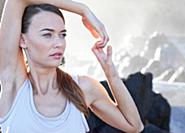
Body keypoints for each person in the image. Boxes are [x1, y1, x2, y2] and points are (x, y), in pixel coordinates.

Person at [0, 0, 144, 132]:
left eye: (62, 34)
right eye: (47, 35)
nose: (59, 43)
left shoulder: (83, 88)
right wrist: (82, 10)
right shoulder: (13, 85)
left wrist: (111, 74)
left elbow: (134, 126)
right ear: (23, 40)